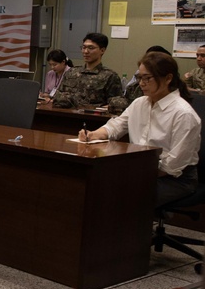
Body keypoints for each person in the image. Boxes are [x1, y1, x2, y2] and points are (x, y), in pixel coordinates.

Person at [79, 52, 201, 207]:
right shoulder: (140, 103)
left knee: (124, 192)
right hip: (142, 169)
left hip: (175, 178)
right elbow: (117, 125)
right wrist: (94, 134)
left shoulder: (183, 113)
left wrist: (135, 174)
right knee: (98, 183)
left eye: (147, 78)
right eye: (139, 78)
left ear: (168, 78)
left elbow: (174, 164)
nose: (141, 83)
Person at [53, 32, 123, 109]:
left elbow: (117, 104)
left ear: (102, 50)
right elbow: (57, 97)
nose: (86, 51)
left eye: (91, 48)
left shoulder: (110, 76)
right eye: (84, 47)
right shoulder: (71, 72)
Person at [108, 45, 171, 113]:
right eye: (140, 77)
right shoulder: (134, 89)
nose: (141, 83)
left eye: (147, 77)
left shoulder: (176, 98)